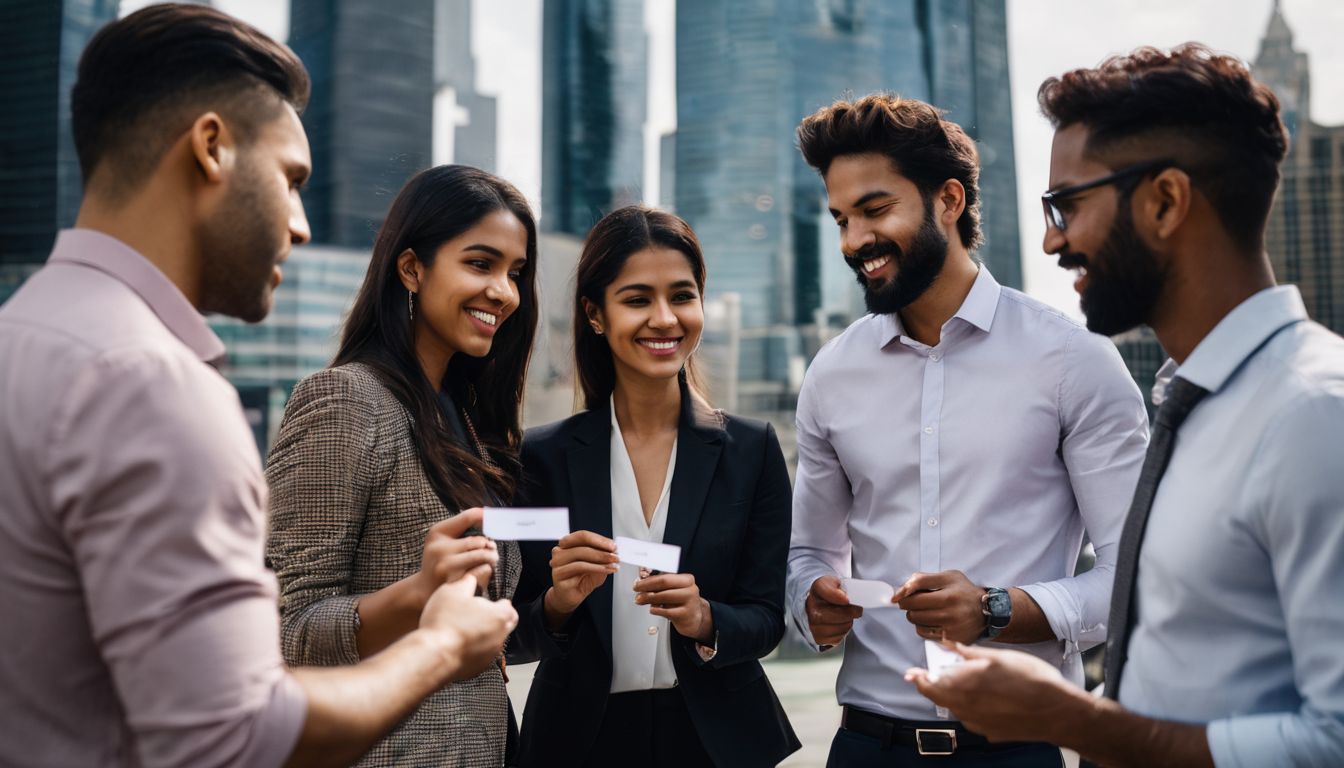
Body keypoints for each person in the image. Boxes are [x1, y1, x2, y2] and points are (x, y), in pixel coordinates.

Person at [0, 6, 517, 768]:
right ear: (211, 147)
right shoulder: (151, 383)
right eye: (291, 179)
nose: (301, 224)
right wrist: (439, 645)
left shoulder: (24, 336)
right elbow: (236, 737)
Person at [907, 44, 1344, 768]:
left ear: (1165, 201)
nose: (1052, 239)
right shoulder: (1192, 402)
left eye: (1067, 205)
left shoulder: (1313, 415)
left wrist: (1076, 721)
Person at [787, 93, 1150, 766]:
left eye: (874, 209)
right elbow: (808, 554)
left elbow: (1138, 576)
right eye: (840, 218)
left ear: (949, 201)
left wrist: (996, 609)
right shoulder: (831, 374)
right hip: (865, 744)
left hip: (1018, 746)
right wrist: (812, 601)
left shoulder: (1074, 362)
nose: (852, 241)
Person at [264, 164, 538, 767]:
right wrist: (417, 595)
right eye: (480, 263)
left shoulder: (467, 422)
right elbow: (283, 631)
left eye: (515, 273)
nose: (504, 292)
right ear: (412, 268)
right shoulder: (343, 401)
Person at [507, 205, 800, 767]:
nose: (664, 318)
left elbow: (766, 618)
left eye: (682, 296)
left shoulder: (752, 449)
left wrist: (705, 618)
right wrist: (559, 603)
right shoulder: (540, 456)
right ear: (595, 314)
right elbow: (509, 634)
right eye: (638, 299)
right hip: (577, 742)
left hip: (715, 740)